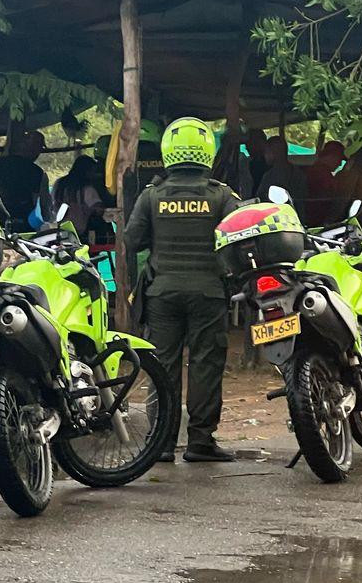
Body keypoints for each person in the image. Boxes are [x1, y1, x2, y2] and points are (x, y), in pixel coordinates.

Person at [122, 118, 241, 463]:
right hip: (208, 293)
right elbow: (237, 237)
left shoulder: (152, 195)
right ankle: (201, 441)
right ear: (207, 151)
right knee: (205, 363)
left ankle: (161, 443)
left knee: (163, 366)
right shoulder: (221, 195)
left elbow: (132, 239)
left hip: (162, 293)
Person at [0, 130, 49, 225]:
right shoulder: (35, 172)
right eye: (38, 148)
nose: (38, 152)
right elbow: (40, 204)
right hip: (24, 223)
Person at [53, 155, 108, 241]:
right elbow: (98, 209)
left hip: (58, 228)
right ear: (86, 172)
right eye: (93, 171)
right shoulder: (87, 189)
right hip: (80, 231)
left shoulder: (59, 184)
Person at [301, 140, 345, 228]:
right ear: (332, 156)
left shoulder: (313, 170)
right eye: (339, 159)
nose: (340, 164)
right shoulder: (321, 174)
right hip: (315, 222)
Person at [256, 136, 310, 204]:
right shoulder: (299, 173)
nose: (264, 155)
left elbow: (260, 199)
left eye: (266, 152)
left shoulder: (269, 176)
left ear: (274, 153)